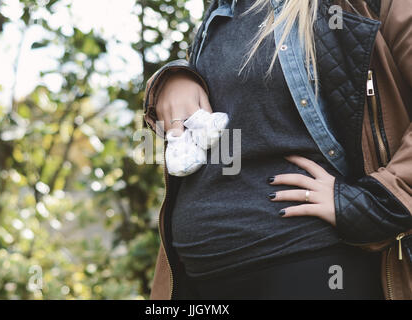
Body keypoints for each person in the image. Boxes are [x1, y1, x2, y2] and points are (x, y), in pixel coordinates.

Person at [142, 0, 412, 299]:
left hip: (309, 263)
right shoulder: (221, 11)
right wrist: (176, 77)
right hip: (196, 272)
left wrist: (378, 199)